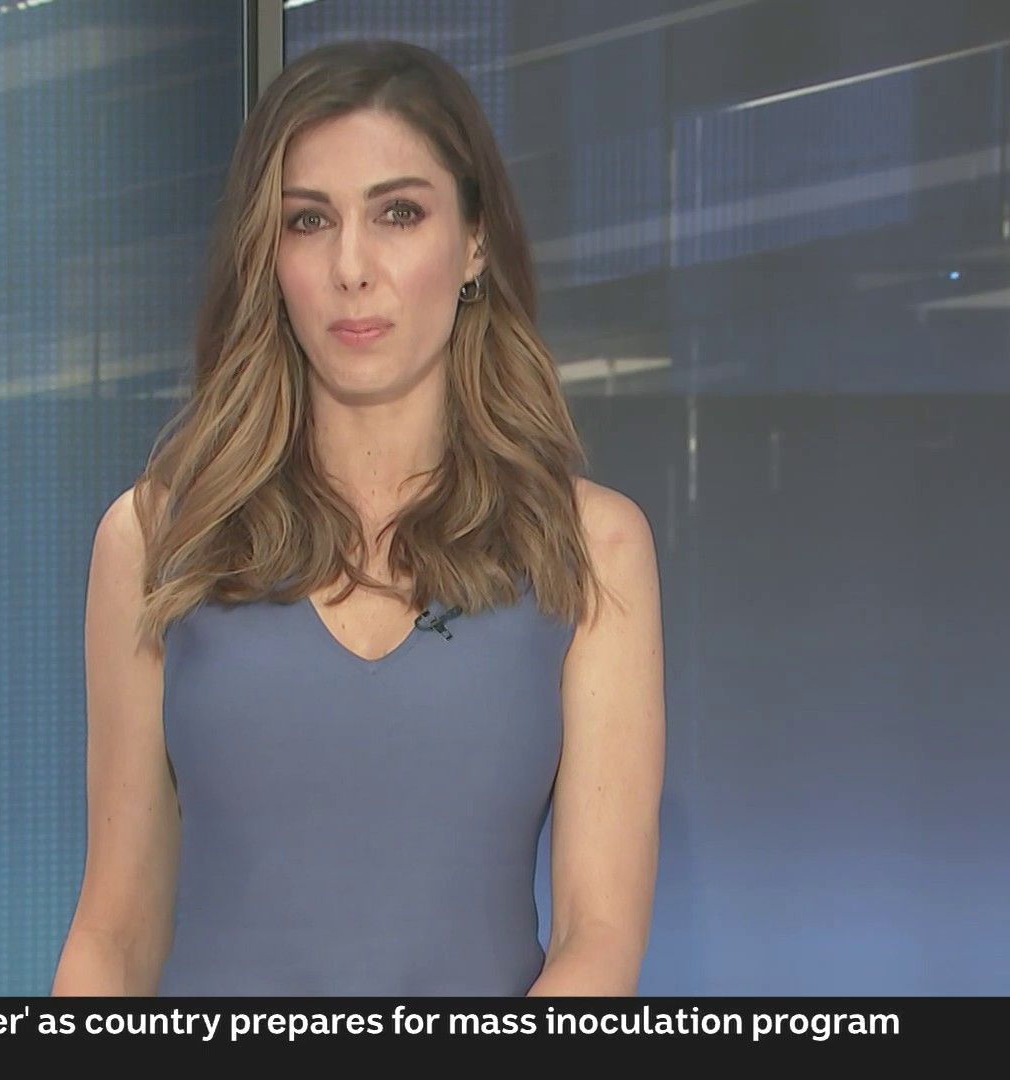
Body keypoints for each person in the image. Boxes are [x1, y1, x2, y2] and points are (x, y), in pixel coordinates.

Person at [51, 39, 663, 997]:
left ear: (474, 242)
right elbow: (112, 934)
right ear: (270, 255)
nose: (351, 266)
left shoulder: (593, 548)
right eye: (309, 221)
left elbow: (600, 939)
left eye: (399, 213)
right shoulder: (156, 539)